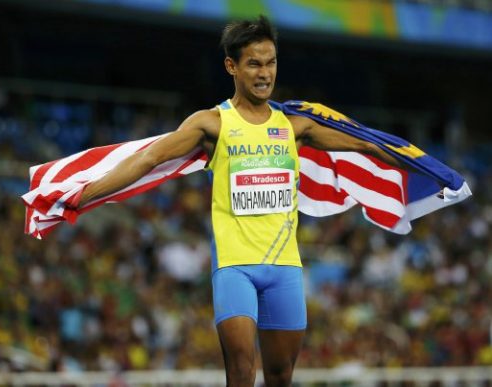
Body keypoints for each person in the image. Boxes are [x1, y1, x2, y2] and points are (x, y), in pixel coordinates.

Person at [77, 16, 408, 387]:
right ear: (231, 66)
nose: (265, 73)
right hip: (235, 267)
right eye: (254, 63)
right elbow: (149, 158)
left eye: (271, 62)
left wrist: (421, 164)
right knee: (241, 370)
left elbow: (365, 144)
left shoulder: (295, 126)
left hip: (284, 267)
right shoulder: (212, 124)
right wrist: (86, 195)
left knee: (281, 375)